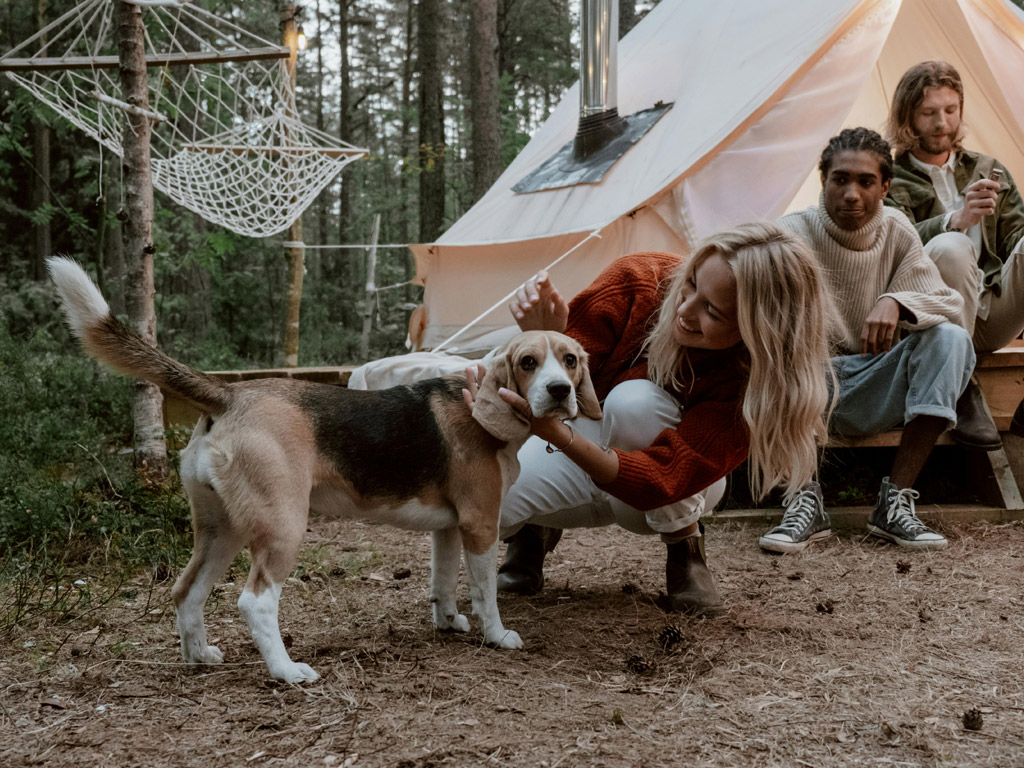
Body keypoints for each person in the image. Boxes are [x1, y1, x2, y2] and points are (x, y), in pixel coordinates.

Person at [464, 222, 837, 615]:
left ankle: (685, 548)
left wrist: (558, 436)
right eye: (691, 283)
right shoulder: (637, 281)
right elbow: (557, 383)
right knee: (487, 500)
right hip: (584, 441)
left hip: (667, 488)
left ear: (758, 331)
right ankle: (531, 531)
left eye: (712, 310)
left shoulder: (753, 382)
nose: (684, 310)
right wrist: (546, 332)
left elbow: (665, 479)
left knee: (634, 403)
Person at [759, 127, 973, 555]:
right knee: (767, 344)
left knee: (950, 338)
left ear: (885, 187)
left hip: (875, 380)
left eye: (865, 181)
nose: (851, 194)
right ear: (824, 182)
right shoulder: (791, 234)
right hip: (808, 388)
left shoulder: (896, 229)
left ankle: (894, 503)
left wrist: (898, 300)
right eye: (840, 180)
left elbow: (948, 305)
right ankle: (802, 495)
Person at [885, 61, 1024, 444]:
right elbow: (895, 243)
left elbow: (1017, 238)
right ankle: (962, 387)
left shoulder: (988, 168)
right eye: (929, 113)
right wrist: (955, 219)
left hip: (992, 311)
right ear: (907, 116)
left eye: (950, 110)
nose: (941, 123)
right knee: (952, 245)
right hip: (935, 322)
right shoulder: (889, 178)